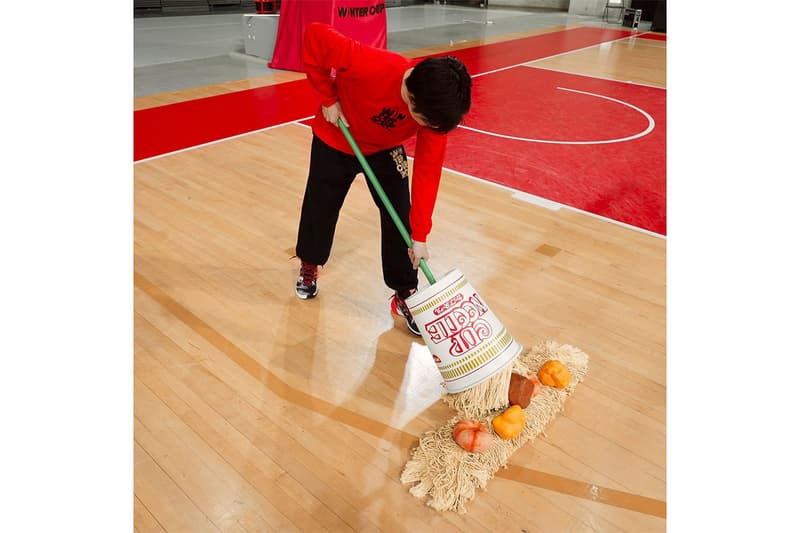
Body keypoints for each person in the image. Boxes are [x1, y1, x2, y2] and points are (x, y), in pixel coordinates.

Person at [294, 22, 472, 336]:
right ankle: (310, 263)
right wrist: (327, 98)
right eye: (424, 122)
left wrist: (420, 234)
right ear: (412, 98)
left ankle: (404, 292)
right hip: (337, 136)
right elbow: (314, 36)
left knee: (401, 221)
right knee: (320, 207)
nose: (428, 129)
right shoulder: (369, 63)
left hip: (384, 149)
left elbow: (428, 171)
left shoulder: (434, 117)